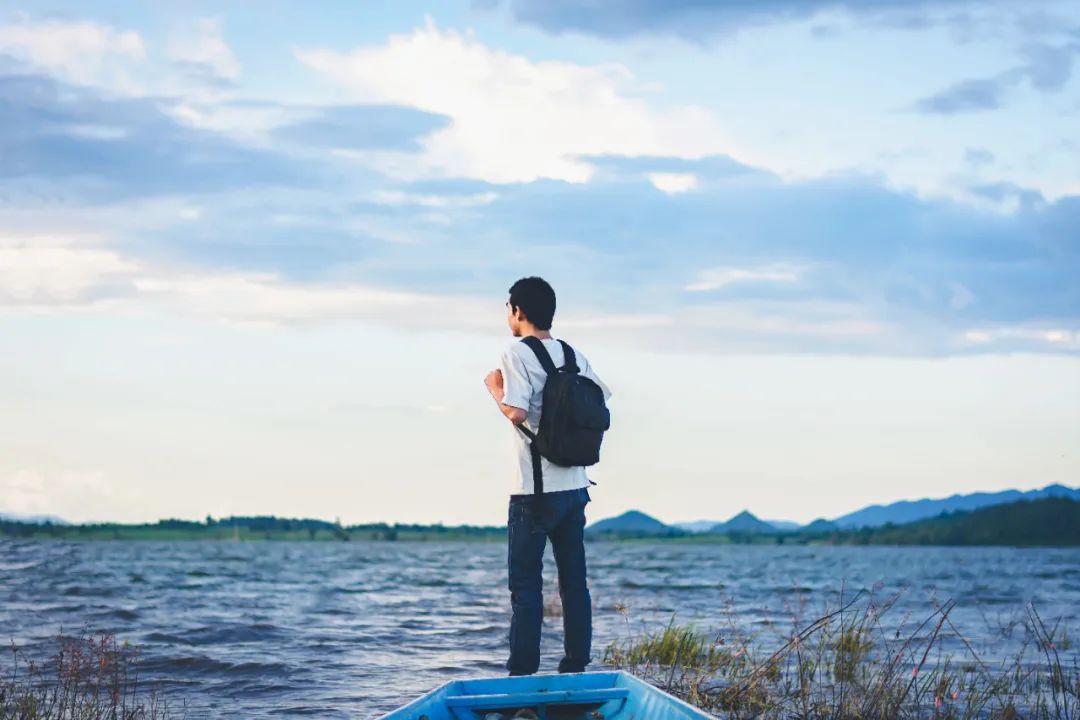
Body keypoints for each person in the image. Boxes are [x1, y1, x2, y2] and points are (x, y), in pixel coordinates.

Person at [483, 276, 612, 676]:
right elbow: (601, 397)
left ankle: (522, 675)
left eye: (508, 308)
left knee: (525, 590)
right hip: (575, 488)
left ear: (517, 312)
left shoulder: (515, 352)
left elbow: (517, 412)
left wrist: (494, 391)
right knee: (575, 585)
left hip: (533, 493)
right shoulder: (574, 355)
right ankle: (575, 669)